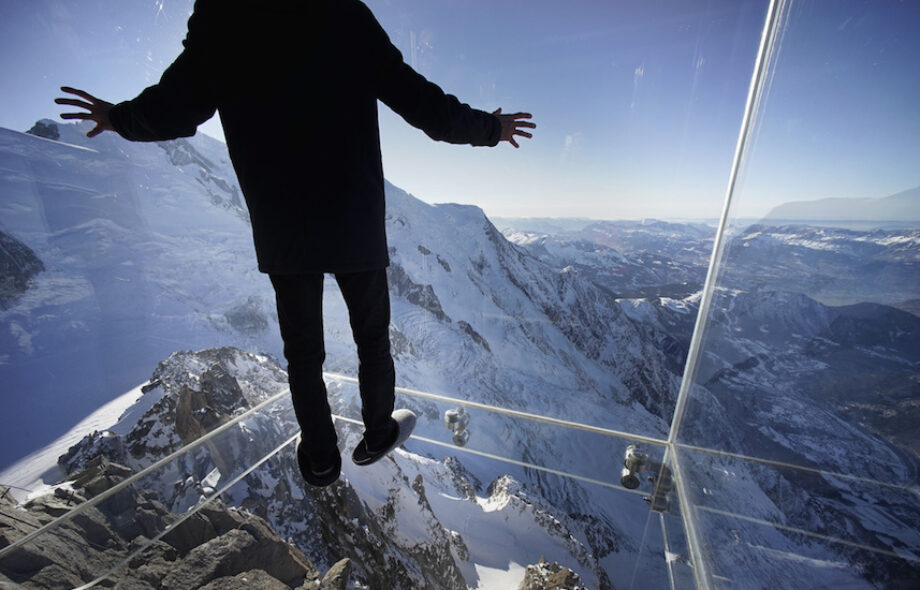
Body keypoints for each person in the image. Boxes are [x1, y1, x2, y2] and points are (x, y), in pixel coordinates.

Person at [56, 0, 534, 487]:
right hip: (354, 214)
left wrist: (119, 117)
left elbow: (173, 109)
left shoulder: (223, 17)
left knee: (304, 352)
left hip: (284, 222)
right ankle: (376, 432)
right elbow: (425, 107)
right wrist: (490, 128)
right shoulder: (345, 13)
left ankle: (322, 458)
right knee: (372, 336)